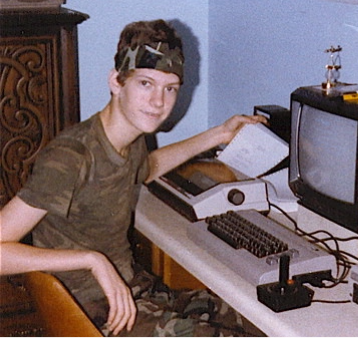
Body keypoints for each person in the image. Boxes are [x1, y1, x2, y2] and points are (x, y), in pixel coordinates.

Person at [0, 19, 267, 337]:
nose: (158, 102)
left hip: (135, 289)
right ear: (117, 82)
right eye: (145, 83)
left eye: (170, 88)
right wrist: (93, 261)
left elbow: (147, 168)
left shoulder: (131, 137)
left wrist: (218, 134)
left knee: (259, 322)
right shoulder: (71, 157)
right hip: (95, 308)